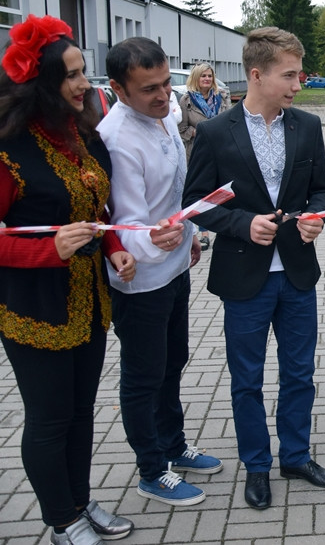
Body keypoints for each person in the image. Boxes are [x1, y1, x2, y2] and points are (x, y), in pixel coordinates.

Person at [182, 27, 325, 510]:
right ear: (256, 74)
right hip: (244, 277)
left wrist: (316, 215)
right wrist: (241, 223)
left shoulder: (307, 127)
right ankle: (257, 465)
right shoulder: (214, 132)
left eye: (299, 74)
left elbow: (322, 189)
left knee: (299, 374)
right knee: (247, 379)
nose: (298, 84)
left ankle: (295, 455)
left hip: (296, 274)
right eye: (289, 75)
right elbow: (195, 203)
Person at [0, 15, 136, 544]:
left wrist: (117, 249)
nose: (86, 84)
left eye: (84, 72)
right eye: (73, 75)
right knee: (49, 418)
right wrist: (47, 248)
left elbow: (97, 211)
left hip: (90, 303)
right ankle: (60, 520)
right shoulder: (9, 150)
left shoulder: (79, 135)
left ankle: (79, 501)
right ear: (41, 84)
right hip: (35, 309)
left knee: (81, 413)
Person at [98, 38, 224, 507]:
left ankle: (174, 444)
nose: (161, 95)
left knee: (173, 361)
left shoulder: (164, 115)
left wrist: (188, 232)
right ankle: (151, 470)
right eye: (148, 88)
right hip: (139, 280)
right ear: (117, 89)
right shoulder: (115, 139)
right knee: (143, 374)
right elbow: (123, 218)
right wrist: (147, 241)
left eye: (166, 83)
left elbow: (175, 192)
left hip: (175, 266)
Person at [177, 63, 231, 250]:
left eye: (209, 76)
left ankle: (227, 225)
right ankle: (205, 233)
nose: (207, 79)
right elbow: (182, 129)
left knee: (224, 191)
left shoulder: (222, 97)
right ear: (196, 79)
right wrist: (204, 133)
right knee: (204, 194)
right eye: (203, 76)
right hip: (199, 152)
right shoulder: (186, 101)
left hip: (224, 150)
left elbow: (231, 122)